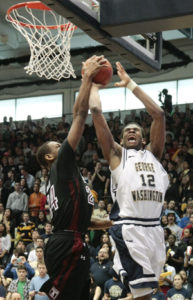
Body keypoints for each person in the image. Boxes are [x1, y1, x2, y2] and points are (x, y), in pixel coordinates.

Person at [89, 62, 169, 300]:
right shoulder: (117, 155)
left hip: (155, 228)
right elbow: (97, 115)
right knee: (143, 295)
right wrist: (92, 87)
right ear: (121, 139)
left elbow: (159, 115)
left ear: (144, 139)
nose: (131, 132)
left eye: (136, 130)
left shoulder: (153, 154)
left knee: (145, 293)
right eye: (127, 132)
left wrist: (130, 84)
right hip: (130, 228)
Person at [36, 56, 113, 300]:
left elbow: (74, 217)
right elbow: (79, 114)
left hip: (70, 240)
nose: (63, 146)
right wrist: (87, 79)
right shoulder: (61, 163)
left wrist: (105, 223)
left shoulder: (64, 177)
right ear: (49, 157)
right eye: (57, 145)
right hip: (68, 244)